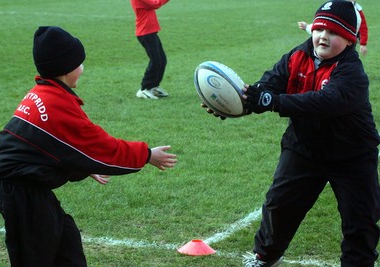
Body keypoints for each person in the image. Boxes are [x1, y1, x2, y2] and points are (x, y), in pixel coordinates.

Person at [202, 1, 380, 266]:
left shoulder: (352, 72)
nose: (323, 36)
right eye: (319, 29)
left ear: (350, 40)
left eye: (333, 32)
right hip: (303, 148)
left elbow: (324, 103)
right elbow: (269, 84)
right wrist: (239, 103)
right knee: (280, 205)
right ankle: (263, 258)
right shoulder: (297, 56)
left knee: (360, 220)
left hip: (352, 155)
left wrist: (272, 101)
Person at [0, 26, 177, 267]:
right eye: (80, 63)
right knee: (35, 256)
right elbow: (101, 146)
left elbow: (57, 149)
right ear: (67, 68)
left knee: (67, 244)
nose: (83, 68)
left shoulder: (46, 92)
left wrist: (84, 167)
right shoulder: (55, 104)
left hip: (26, 186)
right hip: (19, 190)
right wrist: (147, 155)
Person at [297, 0, 369, 56]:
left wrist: (363, 44)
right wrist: (307, 27)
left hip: (347, 47)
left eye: (333, 33)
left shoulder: (357, 12)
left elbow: (363, 28)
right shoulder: (333, 7)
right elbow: (322, 25)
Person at [130, 0, 170, 99]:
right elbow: (155, 3)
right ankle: (144, 88)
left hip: (150, 31)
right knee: (155, 60)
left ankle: (153, 86)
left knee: (162, 59)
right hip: (145, 32)